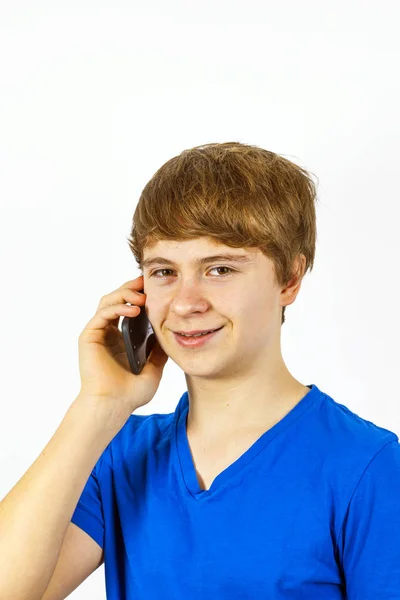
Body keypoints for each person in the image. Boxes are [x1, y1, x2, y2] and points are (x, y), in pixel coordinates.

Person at [1, 142, 399, 600]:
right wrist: (98, 404)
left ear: (289, 279)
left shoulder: (367, 466)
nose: (187, 303)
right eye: (165, 272)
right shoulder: (118, 456)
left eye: (220, 269)